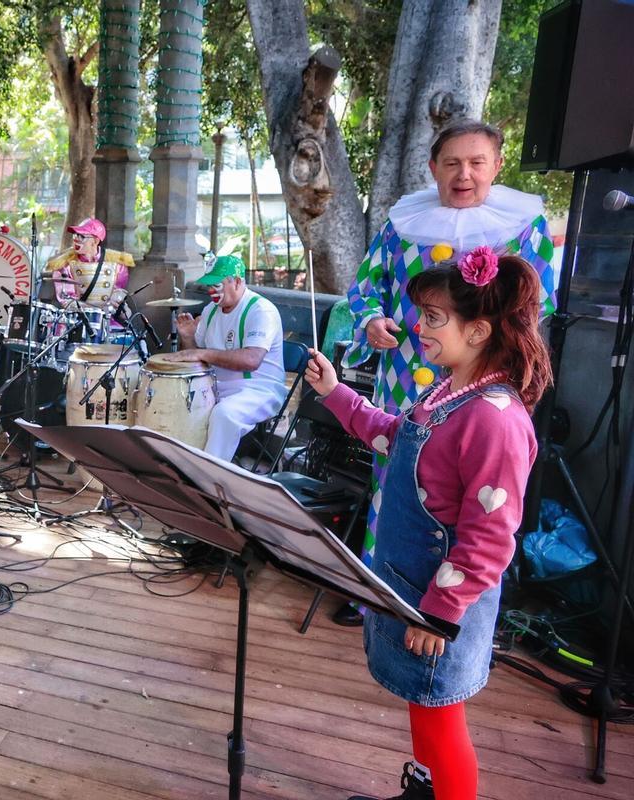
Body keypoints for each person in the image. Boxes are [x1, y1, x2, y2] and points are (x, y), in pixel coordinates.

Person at [307, 250, 551, 800]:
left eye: (434, 317)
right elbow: (391, 437)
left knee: (441, 718)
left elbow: (490, 540)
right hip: (412, 586)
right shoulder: (446, 390)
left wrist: (441, 615)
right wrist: (334, 392)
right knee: (424, 703)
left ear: (479, 330)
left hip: (442, 604)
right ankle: (424, 790)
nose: (419, 327)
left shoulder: (494, 419)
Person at [341, 119, 558, 627]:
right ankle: (379, 595)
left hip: (481, 382)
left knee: (473, 495)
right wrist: (371, 321)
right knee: (393, 477)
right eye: (452, 163)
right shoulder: (400, 224)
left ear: (496, 166)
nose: (464, 174)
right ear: (433, 167)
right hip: (404, 369)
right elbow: (365, 287)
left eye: (477, 163)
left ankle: (449, 607)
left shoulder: (525, 226)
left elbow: (538, 301)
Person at [165, 254, 287, 461]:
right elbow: (197, 356)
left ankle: (207, 475)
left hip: (259, 389)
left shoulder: (261, 310)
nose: (211, 291)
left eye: (217, 285)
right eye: (209, 285)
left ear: (237, 282)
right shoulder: (210, 310)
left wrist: (202, 353)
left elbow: (251, 360)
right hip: (216, 387)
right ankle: (179, 465)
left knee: (224, 414)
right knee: (176, 400)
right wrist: (187, 337)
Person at [46, 217, 132, 309]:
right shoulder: (64, 265)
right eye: (75, 235)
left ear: (95, 241)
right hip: (78, 315)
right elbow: (67, 301)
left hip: (108, 316)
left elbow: (119, 290)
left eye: (82, 237)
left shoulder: (117, 264)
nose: (76, 240)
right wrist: (99, 307)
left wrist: (117, 297)